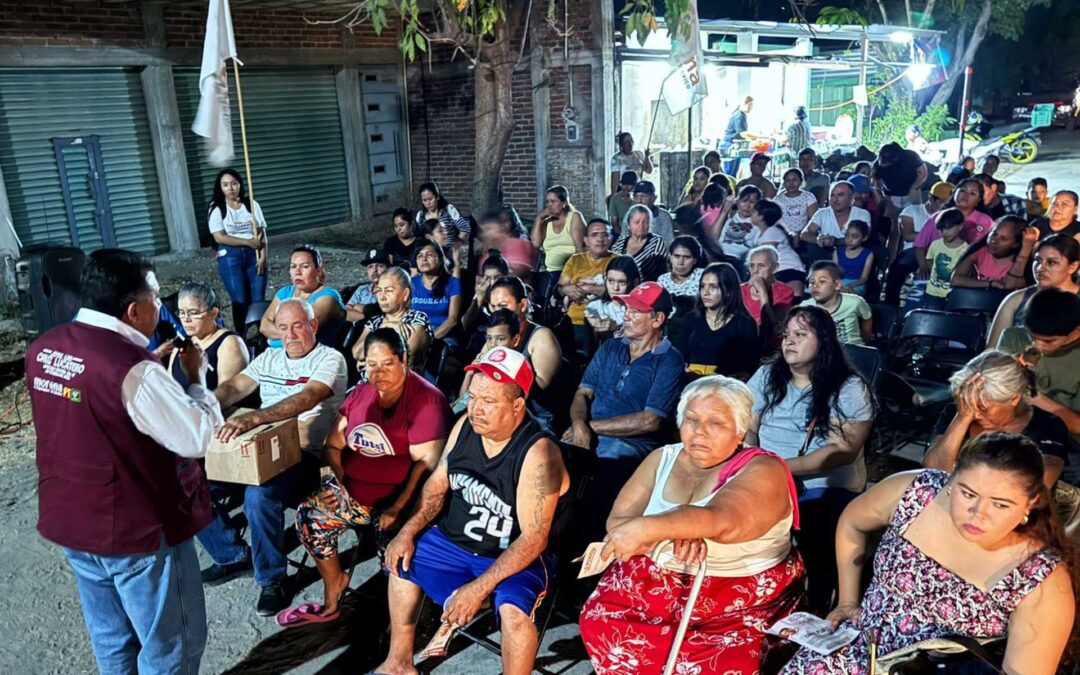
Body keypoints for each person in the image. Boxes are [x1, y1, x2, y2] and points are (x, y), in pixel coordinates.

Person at [27, 249, 224, 675]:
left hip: (73, 523)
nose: (163, 306)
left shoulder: (43, 349)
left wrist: (149, 367)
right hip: (135, 532)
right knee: (171, 648)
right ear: (134, 311)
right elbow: (198, 437)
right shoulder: (135, 371)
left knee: (113, 640)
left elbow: (91, 405)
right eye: (157, 298)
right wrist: (194, 378)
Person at [782, 433, 1077, 674]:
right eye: (968, 494)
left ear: (1030, 503)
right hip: (849, 652)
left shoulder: (1039, 580)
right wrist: (847, 599)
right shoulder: (917, 493)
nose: (978, 514)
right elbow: (852, 521)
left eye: (1000, 505)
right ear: (951, 481)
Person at [579, 376, 805, 675]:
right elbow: (619, 522)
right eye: (692, 419)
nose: (700, 431)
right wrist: (678, 529)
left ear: (741, 430)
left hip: (735, 604)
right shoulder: (663, 457)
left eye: (717, 423)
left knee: (709, 662)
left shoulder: (765, 469)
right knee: (599, 620)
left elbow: (722, 520)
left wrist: (664, 529)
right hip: (654, 585)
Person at [373, 348, 569, 675]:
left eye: (488, 401)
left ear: (518, 405)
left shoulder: (539, 454)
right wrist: (406, 533)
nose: (475, 408)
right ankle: (399, 664)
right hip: (455, 541)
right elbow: (437, 486)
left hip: (513, 555)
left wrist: (478, 589)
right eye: (473, 396)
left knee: (513, 614)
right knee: (401, 562)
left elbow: (535, 538)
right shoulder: (465, 425)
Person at [286, 328, 452, 623]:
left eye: (387, 363)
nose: (378, 373)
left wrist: (397, 508)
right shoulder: (361, 393)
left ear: (404, 360)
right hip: (352, 492)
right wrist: (329, 481)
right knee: (309, 516)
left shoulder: (427, 401)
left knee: (395, 545)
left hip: (399, 497)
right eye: (370, 365)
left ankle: (399, 620)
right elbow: (333, 445)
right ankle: (334, 584)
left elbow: (426, 468)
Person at [209, 298, 348, 614]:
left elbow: (307, 397)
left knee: (258, 497)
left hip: (305, 456)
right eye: (283, 328)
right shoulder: (269, 358)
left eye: (298, 326)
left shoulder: (330, 358)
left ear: (313, 326)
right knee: (192, 486)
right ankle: (232, 554)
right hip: (261, 448)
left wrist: (255, 418)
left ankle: (272, 579)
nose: (291, 335)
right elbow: (234, 388)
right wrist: (203, 404)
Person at [747, 305, 874, 613]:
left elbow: (840, 452)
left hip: (820, 483)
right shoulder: (768, 374)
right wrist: (751, 460)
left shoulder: (848, 387)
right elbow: (748, 427)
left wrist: (773, 469)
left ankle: (817, 609)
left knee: (818, 547)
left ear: (824, 340)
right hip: (768, 473)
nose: (789, 342)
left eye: (800, 335)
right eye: (787, 335)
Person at [566, 282, 685, 534]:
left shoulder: (669, 360)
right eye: (627, 308)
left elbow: (651, 420)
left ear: (657, 319)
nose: (626, 315)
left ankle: (592, 542)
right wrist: (577, 424)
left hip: (632, 444)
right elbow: (582, 393)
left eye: (635, 311)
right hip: (588, 433)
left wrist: (589, 427)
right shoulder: (610, 347)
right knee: (553, 454)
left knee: (606, 466)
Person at [923, 350, 1068, 486]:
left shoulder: (1048, 425)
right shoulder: (958, 413)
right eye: (968, 404)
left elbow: (1035, 484)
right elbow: (934, 472)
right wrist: (962, 418)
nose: (975, 414)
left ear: (1014, 399)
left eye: (983, 408)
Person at [997, 289, 1080, 462]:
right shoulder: (1015, 338)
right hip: (1011, 430)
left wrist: (1036, 399)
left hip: (1069, 445)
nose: (1038, 346)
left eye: (1049, 341)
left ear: (1076, 330)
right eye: (1032, 336)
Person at [485, 276, 563, 433]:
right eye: (493, 307)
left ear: (523, 305)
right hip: (497, 409)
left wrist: (509, 361)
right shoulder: (494, 337)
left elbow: (541, 390)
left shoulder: (541, 337)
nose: (497, 312)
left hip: (535, 418)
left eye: (503, 305)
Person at [988, 234, 1080, 347]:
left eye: (1052, 262)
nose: (1040, 268)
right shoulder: (1016, 300)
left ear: (1073, 266)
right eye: (1037, 260)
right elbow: (992, 349)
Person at [208, 168, 268, 330]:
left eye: (234, 183)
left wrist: (263, 257)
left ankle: (262, 336)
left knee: (258, 299)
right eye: (225, 184)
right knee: (240, 300)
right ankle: (242, 336)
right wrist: (248, 242)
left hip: (253, 256)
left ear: (240, 184)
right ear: (220, 187)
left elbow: (261, 232)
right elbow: (219, 237)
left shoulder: (252, 205)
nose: (230, 188)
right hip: (230, 258)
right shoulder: (217, 208)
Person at [677, 262, 760, 377]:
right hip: (691, 385)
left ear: (729, 290)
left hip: (726, 386)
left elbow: (748, 366)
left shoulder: (744, 324)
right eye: (702, 286)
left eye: (713, 287)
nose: (705, 292)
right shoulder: (691, 319)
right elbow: (680, 357)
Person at [168, 282, 250, 392]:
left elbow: (226, 395)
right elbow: (168, 386)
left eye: (193, 313)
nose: (186, 319)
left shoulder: (229, 344)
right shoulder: (181, 345)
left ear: (213, 313)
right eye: (181, 312)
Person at [883, 181, 954, 307]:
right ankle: (890, 306)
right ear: (931, 198)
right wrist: (930, 237)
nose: (945, 206)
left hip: (939, 252)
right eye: (942, 202)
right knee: (896, 270)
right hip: (913, 250)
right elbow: (908, 235)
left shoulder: (950, 216)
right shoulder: (912, 210)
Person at [261, 245, 346, 349]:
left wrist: (276, 331)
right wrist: (290, 334)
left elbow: (304, 330)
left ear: (318, 271)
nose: (297, 272)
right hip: (275, 354)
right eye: (293, 267)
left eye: (305, 266)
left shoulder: (327, 298)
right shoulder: (285, 292)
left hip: (310, 358)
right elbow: (264, 325)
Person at [351, 266, 432, 374]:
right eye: (379, 290)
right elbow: (357, 353)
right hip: (368, 385)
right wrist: (388, 326)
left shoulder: (417, 320)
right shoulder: (376, 321)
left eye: (388, 291)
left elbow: (406, 361)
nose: (382, 297)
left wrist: (368, 362)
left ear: (405, 294)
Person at [558, 218, 616, 355]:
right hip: (573, 321)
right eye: (594, 235)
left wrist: (590, 289)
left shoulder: (619, 261)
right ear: (586, 240)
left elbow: (623, 292)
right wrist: (566, 289)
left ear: (611, 239)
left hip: (604, 322)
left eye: (605, 234)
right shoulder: (575, 260)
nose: (600, 239)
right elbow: (560, 288)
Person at [531, 185, 586, 300]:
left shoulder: (574, 217)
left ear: (564, 203)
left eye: (553, 201)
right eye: (547, 202)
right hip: (550, 273)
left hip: (570, 270)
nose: (549, 205)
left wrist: (581, 273)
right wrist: (539, 219)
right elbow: (535, 243)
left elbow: (580, 248)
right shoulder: (547, 223)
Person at [949, 215, 1032, 291]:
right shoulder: (981, 251)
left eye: (1003, 239)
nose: (994, 241)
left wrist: (1027, 248)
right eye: (994, 234)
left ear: (1015, 244)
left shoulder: (1022, 262)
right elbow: (955, 280)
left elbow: (1010, 286)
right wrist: (990, 284)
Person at [801, 261, 872, 346]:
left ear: (837, 285)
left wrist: (866, 337)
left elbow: (867, 317)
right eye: (812, 282)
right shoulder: (805, 307)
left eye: (822, 281)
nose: (815, 286)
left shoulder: (855, 302)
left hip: (854, 351)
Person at [913, 177, 994, 251]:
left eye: (972, 193)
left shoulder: (986, 221)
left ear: (978, 200)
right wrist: (924, 266)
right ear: (954, 193)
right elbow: (919, 244)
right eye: (962, 190)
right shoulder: (938, 217)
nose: (966, 195)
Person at [799, 181, 872, 263]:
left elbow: (865, 237)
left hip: (854, 260)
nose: (835, 199)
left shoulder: (862, 214)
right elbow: (804, 234)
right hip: (827, 260)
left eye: (840, 195)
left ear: (852, 197)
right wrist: (819, 240)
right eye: (832, 195)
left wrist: (836, 241)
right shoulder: (822, 213)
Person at [746, 198, 806, 297]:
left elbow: (767, 259)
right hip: (777, 271)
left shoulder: (772, 232)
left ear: (761, 217)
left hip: (789, 269)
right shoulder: (760, 234)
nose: (750, 214)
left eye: (754, 212)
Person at [410, 240, 462, 345]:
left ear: (440, 259)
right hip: (415, 334)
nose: (424, 259)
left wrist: (429, 339)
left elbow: (453, 319)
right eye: (420, 256)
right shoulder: (411, 284)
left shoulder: (452, 283)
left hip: (444, 335)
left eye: (429, 255)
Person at [921, 207, 969, 309]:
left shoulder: (966, 250)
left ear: (960, 226)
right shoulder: (935, 244)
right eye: (941, 230)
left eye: (948, 228)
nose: (944, 233)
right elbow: (929, 259)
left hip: (953, 295)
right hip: (932, 293)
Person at [585, 255, 641, 341]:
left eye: (622, 282)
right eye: (610, 281)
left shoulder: (642, 310)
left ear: (635, 282)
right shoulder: (597, 306)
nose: (615, 288)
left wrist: (617, 327)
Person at [741, 245, 795, 333]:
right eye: (752, 266)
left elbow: (773, 324)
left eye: (761, 266)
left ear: (775, 268)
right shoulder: (740, 290)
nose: (755, 271)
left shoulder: (785, 291)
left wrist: (762, 293)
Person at [611, 204, 670, 282]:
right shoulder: (621, 241)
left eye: (646, 222)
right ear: (628, 224)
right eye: (637, 222)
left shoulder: (656, 241)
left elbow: (662, 271)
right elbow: (612, 264)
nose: (641, 226)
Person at [414, 182, 470, 246]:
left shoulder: (448, 210)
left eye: (430, 199)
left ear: (437, 197)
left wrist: (457, 245)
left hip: (450, 252)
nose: (428, 203)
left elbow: (465, 227)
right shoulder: (420, 216)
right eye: (424, 200)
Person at [772, 167, 818, 242]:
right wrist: (789, 235)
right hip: (783, 236)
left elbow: (813, 220)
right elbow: (775, 221)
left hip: (804, 236)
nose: (791, 183)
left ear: (800, 181)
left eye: (794, 180)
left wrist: (800, 234)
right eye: (788, 180)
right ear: (784, 182)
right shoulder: (777, 199)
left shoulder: (808, 197)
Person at [717, 184, 760, 260]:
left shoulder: (759, 222)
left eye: (752, 202)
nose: (747, 206)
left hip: (740, 259)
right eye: (744, 201)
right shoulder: (729, 215)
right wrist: (724, 212)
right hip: (720, 255)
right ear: (737, 201)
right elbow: (713, 236)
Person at [346, 249, 389, 323]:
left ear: (388, 269)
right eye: (370, 267)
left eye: (380, 266)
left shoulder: (393, 290)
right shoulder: (362, 289)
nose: (374, 270)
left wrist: (364, 309)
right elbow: (346, 311)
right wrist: (362, 315)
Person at [832, 220, 874, 295]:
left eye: (855, 236)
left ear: (864, 238)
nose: (850, 240)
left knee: (850, 295)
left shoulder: (868, 254)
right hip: (839, 283)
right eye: (847, 235)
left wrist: (850, 286)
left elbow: (864, 278)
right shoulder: (837, 252)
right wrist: (840, 285)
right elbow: (834, 273)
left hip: (857, 285)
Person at [720, 95, 757, 176]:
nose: (751, 107)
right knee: (729, 175)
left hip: (734, 146)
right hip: (729, 145)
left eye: (752, 105)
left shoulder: (742, 115)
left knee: (733, 174)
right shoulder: (739, 116)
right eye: (750, 105)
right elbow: (743, 133)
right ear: (744, 104)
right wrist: (758, 137)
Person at [607, 170, 637, 235]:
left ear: (634, 186)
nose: (626, 187)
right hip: (620, 232)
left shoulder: (637, 199)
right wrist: (623, 235)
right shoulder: (615, 199)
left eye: (629, 185)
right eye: (624, 184)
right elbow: (614, 222)